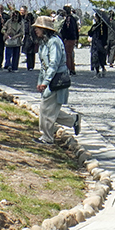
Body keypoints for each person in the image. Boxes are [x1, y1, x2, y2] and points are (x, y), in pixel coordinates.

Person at [33, 15, 81, 144]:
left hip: (56, 80)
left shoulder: (53, 42)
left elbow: (53, 64)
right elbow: (43, 65)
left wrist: (45, 82)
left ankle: (47, 137)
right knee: (50, 108)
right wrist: (40, 81)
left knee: (46, 109)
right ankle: (73, 120)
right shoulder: (44, 42)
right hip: (49, 79)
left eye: (38, 28)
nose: (36, 30)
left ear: (44, 29)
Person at [59, 5, 80, 75]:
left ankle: (69, 68)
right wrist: (77, 38)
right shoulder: (73, 18)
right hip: (73, 38)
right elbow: (76, 29)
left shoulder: (68, 19)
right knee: (70, 54)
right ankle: (72, 68)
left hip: (69, 38)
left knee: (68, 54)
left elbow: (67, 30)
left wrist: (63, 37)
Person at [89, 11, 110, 77]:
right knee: (95, 57)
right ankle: (97, 71)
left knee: (100, 57)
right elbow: (90, 34)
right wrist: (92, 30)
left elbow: (105, 36)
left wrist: (105, 43)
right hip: (94, 43)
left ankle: (102, 68)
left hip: (100, 44)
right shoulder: (95, 26)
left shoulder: (103, 27)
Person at [21, 5, 38, 70]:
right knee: (28, 52)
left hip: (31, 36)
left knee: (31, 51)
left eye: (23, 11)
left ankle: (31, 65)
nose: (21, 12)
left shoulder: (30, 18)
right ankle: (29, 65)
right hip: (26, 36)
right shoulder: (21, 18)